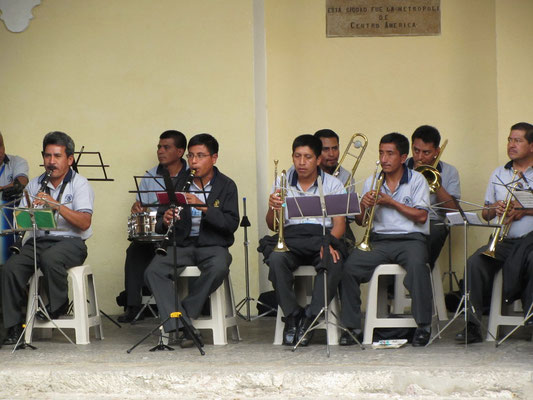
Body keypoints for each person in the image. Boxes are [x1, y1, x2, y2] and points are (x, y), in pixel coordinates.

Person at [144, 133, 239, 347]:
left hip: (213, 245)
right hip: (181, 244)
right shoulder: (178, 183)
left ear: (214, 158)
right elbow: (159, 221)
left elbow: (230, 224)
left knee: (218, 267)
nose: (194, 162)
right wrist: (166, 220)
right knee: (153, 271)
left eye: (200, 156)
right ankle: (183, 325)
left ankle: (180, 316)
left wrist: (203, 207)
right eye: (191, 156)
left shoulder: (226, 185)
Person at [339, 132, 433, 347]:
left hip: (410, 239)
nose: (384, 159)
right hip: (378, 240)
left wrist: (392, 203)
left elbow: (421, 216)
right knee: (349, 267)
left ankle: (423, 325)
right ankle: (352, 327)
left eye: (390, 154)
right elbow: (362, 222)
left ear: (402, 157)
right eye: (381, 153)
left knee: (418, 266)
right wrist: (363, 205)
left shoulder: (417, 179)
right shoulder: (373, 180)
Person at [1, 131, 94, 345]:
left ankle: (58, 304)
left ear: (69, 159)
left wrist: (55, 205)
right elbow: (20, 222)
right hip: (38, 242)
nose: (51, 162)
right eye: (47, 156)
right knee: (10, 268)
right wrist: (30, 213)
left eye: (57, 156)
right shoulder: (34, 185)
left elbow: (84, 222)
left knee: (51, 258)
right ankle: (14, 327)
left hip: (71, 243)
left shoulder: (79, 184)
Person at [259, 134, 346, 346]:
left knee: (333, 262)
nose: (301, 162)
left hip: (321, 237)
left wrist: (329, 244)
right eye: (297, 156)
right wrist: (272, 207)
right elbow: (273, 225)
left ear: (318, 159)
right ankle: (292, 316)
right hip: (291, 238)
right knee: (277, 261)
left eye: (307, 157)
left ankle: (310, 317)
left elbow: (340, 225)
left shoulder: (333, 185)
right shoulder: (281, 183)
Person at [454, 122, 533, 344]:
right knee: (474, 263)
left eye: (518, 140)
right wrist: (496, 208)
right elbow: (486, 214)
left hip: (530, 241)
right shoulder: (499, 173)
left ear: (532, 146)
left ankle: (531, 317)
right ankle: (472, 324)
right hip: (504, 239)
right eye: (510, 140)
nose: (511, 145)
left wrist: (523, 210)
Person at [117, 130, 188, 323]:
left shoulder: (192, 176)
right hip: (156, 231)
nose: (160, 151)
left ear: (180, 151)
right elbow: (143, 210)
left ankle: (195, 305)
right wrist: (138, 208)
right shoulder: (149, 177)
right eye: (159, 147)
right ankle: (133, 305)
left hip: (181, 234)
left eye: (166, 147)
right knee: (134, 251)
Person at [406, 125, 461, 268]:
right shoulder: (401, 167)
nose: (419, 157)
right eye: (416, 150)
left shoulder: (450, 172)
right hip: (404, 218)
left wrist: (435, 182)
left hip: (432, 221)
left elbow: (453, 211)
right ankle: (394, 285)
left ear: (437, 151)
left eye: (426, 152)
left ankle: (421, 271)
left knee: (436, 230)